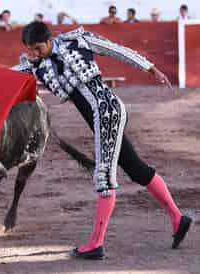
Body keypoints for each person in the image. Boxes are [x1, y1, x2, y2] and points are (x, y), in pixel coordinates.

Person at [15, 21, 192, 260]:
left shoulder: (77, 40)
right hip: (98, 118)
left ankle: (96, 243)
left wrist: (151, 69)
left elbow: (116, 50)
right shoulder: (37, 66)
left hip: (108, 111)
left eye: (37, 48)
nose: (35, 54)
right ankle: (178, 219)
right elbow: (8, 75)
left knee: (104, 175)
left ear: (48, 40)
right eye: (30, 50)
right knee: (136, 169)